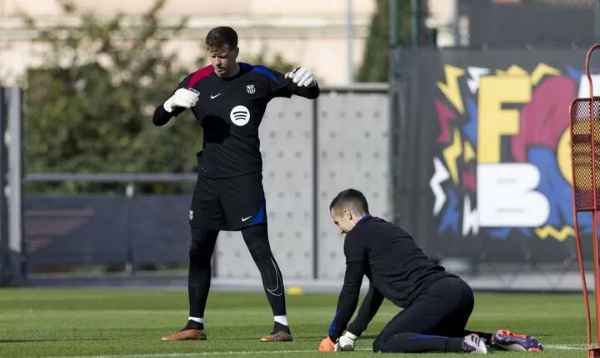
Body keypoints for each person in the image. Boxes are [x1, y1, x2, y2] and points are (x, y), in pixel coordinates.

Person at [153, 26, 319, 342]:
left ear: (235, 52)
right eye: (213, 55)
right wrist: (172, 104)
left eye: (224, 55)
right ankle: (194, 325)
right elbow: (157, 118)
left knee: (259, 249)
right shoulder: (196, 80)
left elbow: (306, 92)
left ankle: (281, 326)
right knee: (199, 250)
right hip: (209, 182)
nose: (218, 62)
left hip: (244, 179)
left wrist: (311, 84)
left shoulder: (258, 77)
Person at [318, 189, 544, 354]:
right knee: (430, 334)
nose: (339, 231)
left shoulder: (356, 237)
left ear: (348, 214)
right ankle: (496, 339)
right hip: (459, 291)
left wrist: (332, 335)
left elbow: (350, 290)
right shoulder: (390, 231)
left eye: (337, 223)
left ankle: (463, 346)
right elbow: (376, 292)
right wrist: (350, 335)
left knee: (386, 342)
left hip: (436, 296)